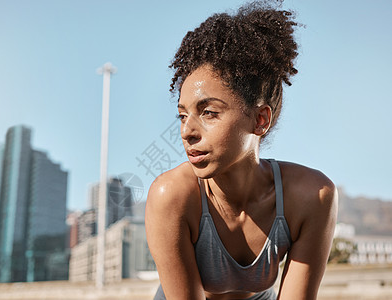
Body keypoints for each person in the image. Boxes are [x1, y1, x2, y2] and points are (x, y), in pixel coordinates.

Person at [145, 1, 338, 300]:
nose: (186, 132)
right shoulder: (171, 196)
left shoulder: (312, 196)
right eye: (183, 115)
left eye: (208, 112)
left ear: (260, 120)